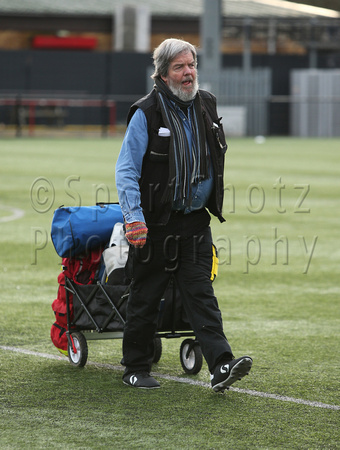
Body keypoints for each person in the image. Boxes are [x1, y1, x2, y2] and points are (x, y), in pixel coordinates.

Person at [115, 38, 252, 392]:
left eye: (191, 65)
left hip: (194, 222)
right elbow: (126, 170)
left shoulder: (206, 103)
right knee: (146, 295)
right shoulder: (145, 112)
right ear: (162, 75)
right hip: (155, 224)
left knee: (201, 292)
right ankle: (135, 367)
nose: (189, 73)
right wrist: (134, 218)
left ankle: (221, 365)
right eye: (179, 67)